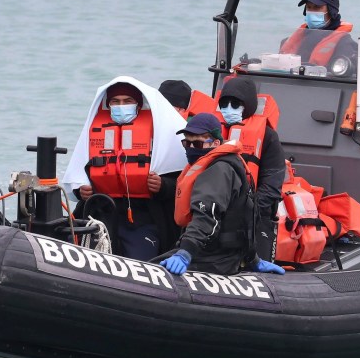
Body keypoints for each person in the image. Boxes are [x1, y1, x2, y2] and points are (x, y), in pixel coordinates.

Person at [63, 77, 188, 260]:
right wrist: (81, 190)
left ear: (138, 105)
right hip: (104, 216)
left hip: (145, 219)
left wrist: (163, 185)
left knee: (143, 261)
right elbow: (79, 173)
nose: (121, 106)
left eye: (127, 101)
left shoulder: (161, 134)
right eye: (115, 101)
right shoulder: (95, 132)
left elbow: (185, 180)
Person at [159, 113, 285, 276]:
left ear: (216, 143)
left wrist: (185, 254)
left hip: (213, 259)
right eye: (186, 143)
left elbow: (207, 217)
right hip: (225, 256)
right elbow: (241, 220)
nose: (190, 148)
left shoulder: (217, 170)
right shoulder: (228, 164)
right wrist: (253, 259)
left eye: (197, 143)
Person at [215, 76, 286, 262]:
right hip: (216, 212)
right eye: (224, 104)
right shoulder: (211, 132)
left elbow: (272, 184)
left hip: (255, 216)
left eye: (235, 104)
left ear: (248, 105)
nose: (228, 109)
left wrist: (246, 210)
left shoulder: (268, 137)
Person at [280, 0, 357, 68]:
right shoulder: (286, 41)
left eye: (317, 7)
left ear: (331, 11)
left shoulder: (345, 44)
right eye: (309, 7)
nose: (312, 12)